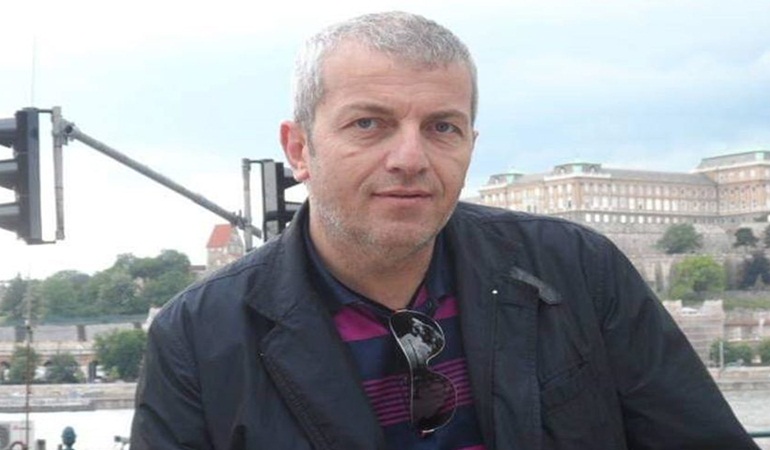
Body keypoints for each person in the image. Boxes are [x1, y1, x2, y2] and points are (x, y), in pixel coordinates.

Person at [130, 11, 760, 450]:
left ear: (470, 145)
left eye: (442, 127)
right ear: (299, 149)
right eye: (369, 124)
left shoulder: (577, 271)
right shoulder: (198, 338)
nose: (411, 158)